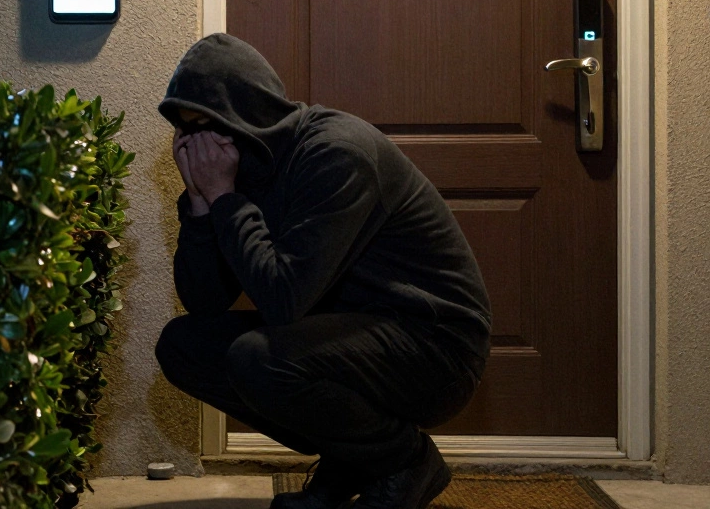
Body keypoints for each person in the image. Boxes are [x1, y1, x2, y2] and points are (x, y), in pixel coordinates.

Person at [154, 35, 492, 509]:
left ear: (245, 115)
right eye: (184, 133)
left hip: (436, 348)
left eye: (203, 128)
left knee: (260, 358)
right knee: (185, 346)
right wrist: (200, 203)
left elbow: (283, 300)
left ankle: (405, 461)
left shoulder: (336, 154)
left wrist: (226, 199)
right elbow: (204, 301)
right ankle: (352, 457)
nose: (197, 148)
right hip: (352, 336)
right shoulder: (246, 167)